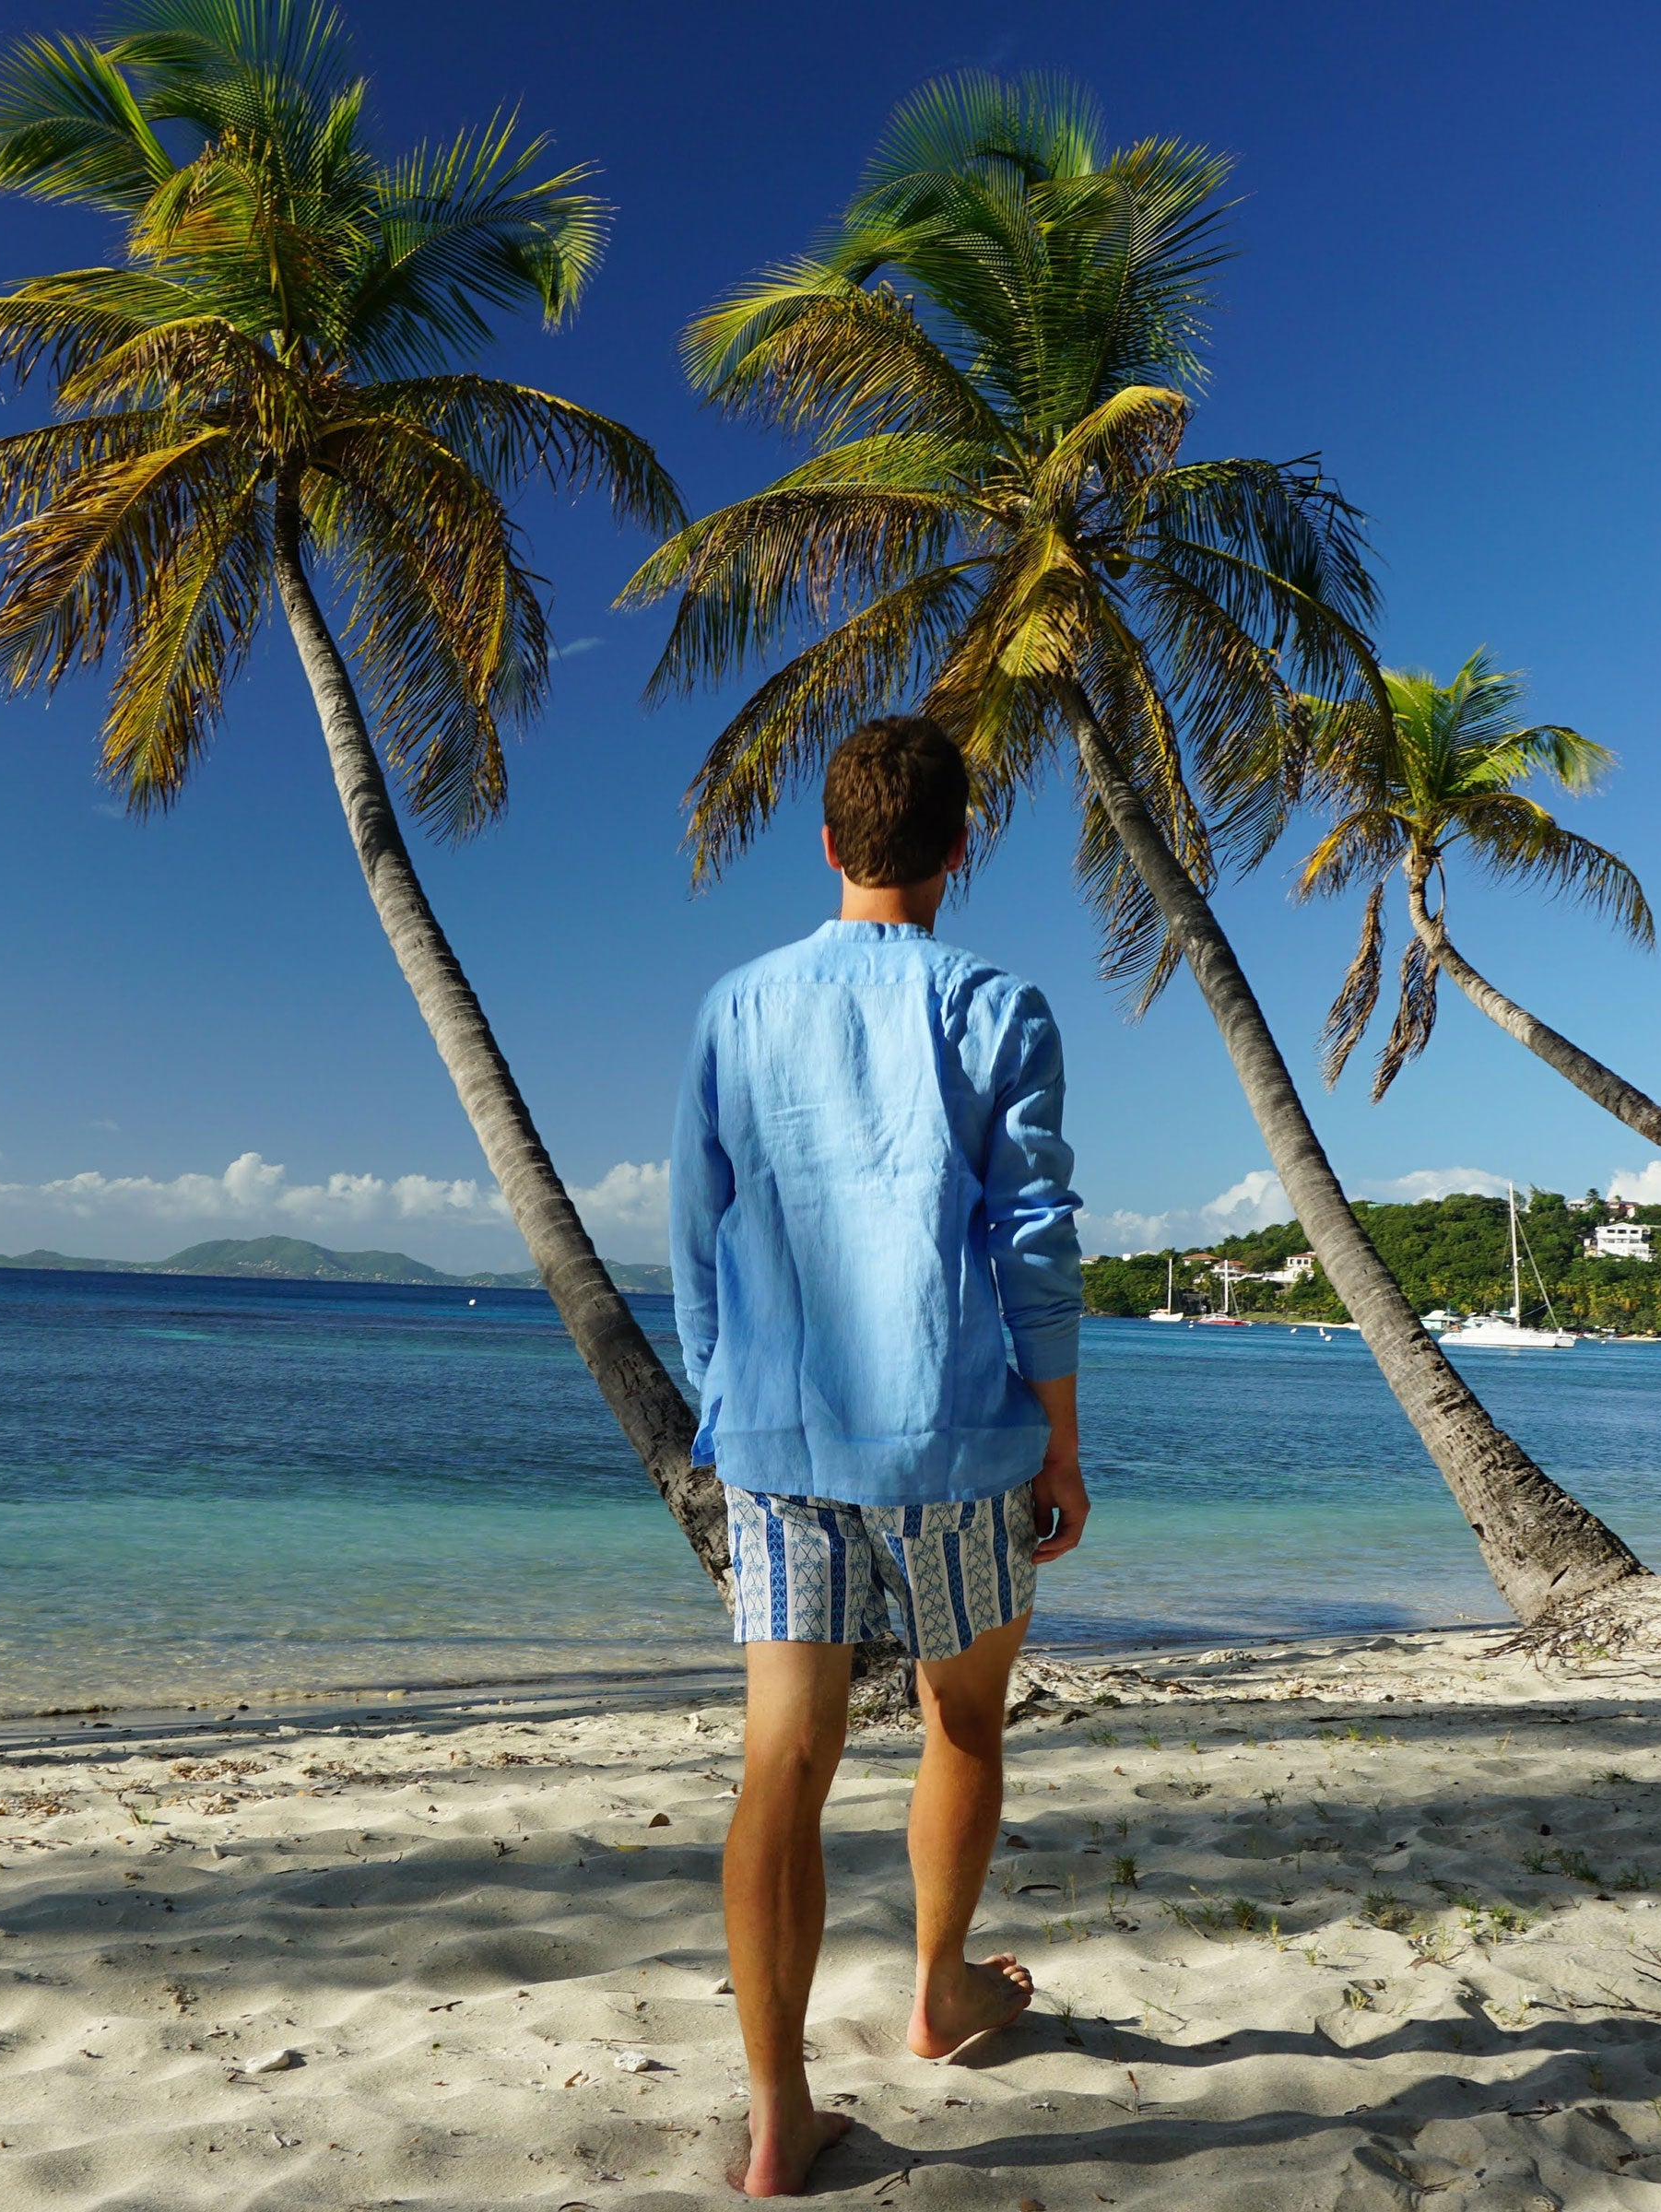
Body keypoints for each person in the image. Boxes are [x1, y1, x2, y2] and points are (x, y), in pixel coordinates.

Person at [671, 715, 1088, 2198]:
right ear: (959, 853)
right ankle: (941, 1991)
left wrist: (730, 1403)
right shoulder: (999, 1005)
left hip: (783, 1434)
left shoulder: (738, 1005)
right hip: (962, 1432)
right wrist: (1064, 1442)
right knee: (963, 1721)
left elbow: (695, 1241)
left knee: (781, 1762)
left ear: (831, 845)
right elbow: (1034, 1241)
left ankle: (780, 2118)